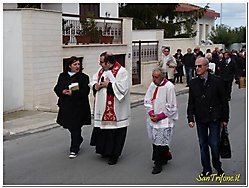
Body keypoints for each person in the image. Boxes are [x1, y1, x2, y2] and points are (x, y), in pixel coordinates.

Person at [187, 57, 229, 177]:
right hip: (201, 118)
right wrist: (190, 118)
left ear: (206, 67)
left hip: (215, 117)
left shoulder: (217, 81)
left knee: (214, 143)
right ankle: (206, 168)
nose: (197, 68)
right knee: (203, 144)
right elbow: (191, 102)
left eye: (200, 66)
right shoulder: (193, 83)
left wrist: (225, 119)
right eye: (196, 66)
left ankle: (217, 165)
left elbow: (224, 101)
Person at [89, 52, 130, 165]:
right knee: (104, 131)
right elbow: (93, 80)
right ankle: (104, 151)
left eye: (101, 62)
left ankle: (114, 155)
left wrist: (109, 85)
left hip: (117, 110)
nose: (100, 64)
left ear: (108, 62)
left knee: (116, 132)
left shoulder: (122, 72)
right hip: (102, 107)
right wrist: (95, 85)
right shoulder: (101, 71)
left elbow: (123, 89)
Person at [54, 56, 91, 158]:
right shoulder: (62, 76)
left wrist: (73, 93)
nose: (77, 66)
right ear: (69, 66)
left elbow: (85, 92)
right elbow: (57, 87)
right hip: (66, 106)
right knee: (69, 126)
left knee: (76, 127)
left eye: (78, 64)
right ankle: (78, 139)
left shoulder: (84, 77)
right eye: (75, 64)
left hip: (78, 107)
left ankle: (74, 149)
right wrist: (62, 91)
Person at [144, 67, 178, 174]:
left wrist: (159, 116)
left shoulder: (169, 87)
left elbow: (172, 106)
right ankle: (165, 155)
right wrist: (151, 113)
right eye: (153, 77)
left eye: (156, 77)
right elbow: (148, 99)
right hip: (153, 117)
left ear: (162, 77)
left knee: (160, 142)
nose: (154, 79)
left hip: (164, 120)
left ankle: (157, 164)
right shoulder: (152, 85)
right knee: (155, 141)